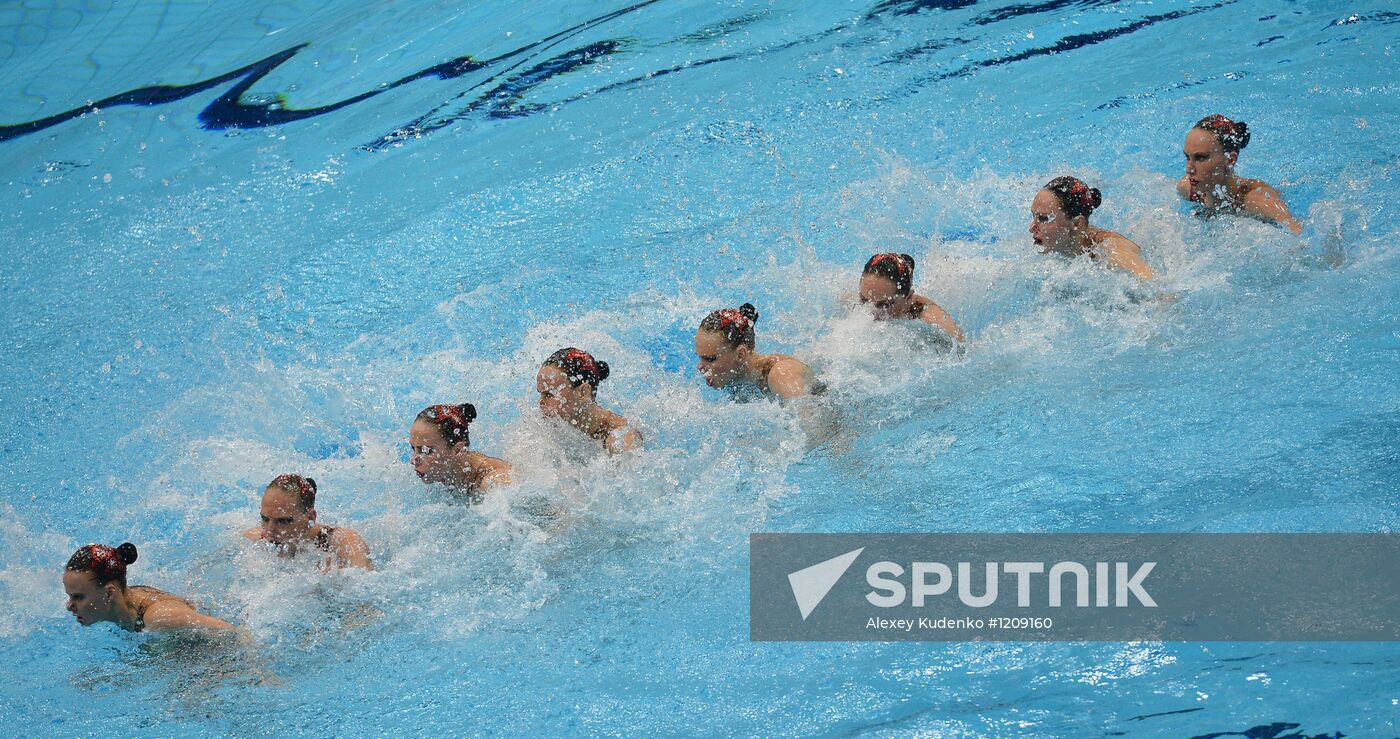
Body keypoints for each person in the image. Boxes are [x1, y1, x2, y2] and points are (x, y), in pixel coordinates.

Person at [63, 542, 236, 632]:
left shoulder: (161, 617)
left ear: (109, 593)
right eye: (70, 596)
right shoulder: (124, 604)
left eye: (78, 597)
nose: (69, 606)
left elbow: (232, 632)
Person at [1177, 114, 1302, 234]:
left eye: (1200, 158)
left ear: (1230, 160)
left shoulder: (1256, 199)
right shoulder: (1189, 189)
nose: (1189, 169)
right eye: (1187, 157)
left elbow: (1299, 235)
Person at [1030, 176, 1155, 281]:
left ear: (1078, 224)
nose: (1031, 228)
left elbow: (1155, 287)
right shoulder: (1060, 243)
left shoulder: (1110, 251)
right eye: (1033, 216)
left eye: (1044, 219)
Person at [241, 475, 372, 570]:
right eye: (265, 519)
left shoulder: (344, 543)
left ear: (310, 517)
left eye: (283, 521)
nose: (270, 530)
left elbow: (365, 589)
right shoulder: (255, 540)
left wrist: (332, 585)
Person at [695, 303, 820, 399]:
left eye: (710, 359)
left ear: (740, 355)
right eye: (700, 357)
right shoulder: (734, 379)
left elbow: (811, 420)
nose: (700, 367)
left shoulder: (781, 375)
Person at [537, 348, 642, 454]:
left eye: (549, 394)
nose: (541, 402)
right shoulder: (546, 427)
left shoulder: (622, 435)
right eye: (540, 394)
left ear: (583, 392)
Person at [408, 403, 512, 496]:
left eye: (426, 451)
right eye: (413, 448)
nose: (413, 461)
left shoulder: (494, 484)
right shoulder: (444, 473)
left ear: (457, 450)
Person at [858, 253, 964, 342]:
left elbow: (960, 344)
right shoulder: (856, 301)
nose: (871, 312)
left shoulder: (929, 318)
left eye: (884, 305)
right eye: (864, 300)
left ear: (908, 296)